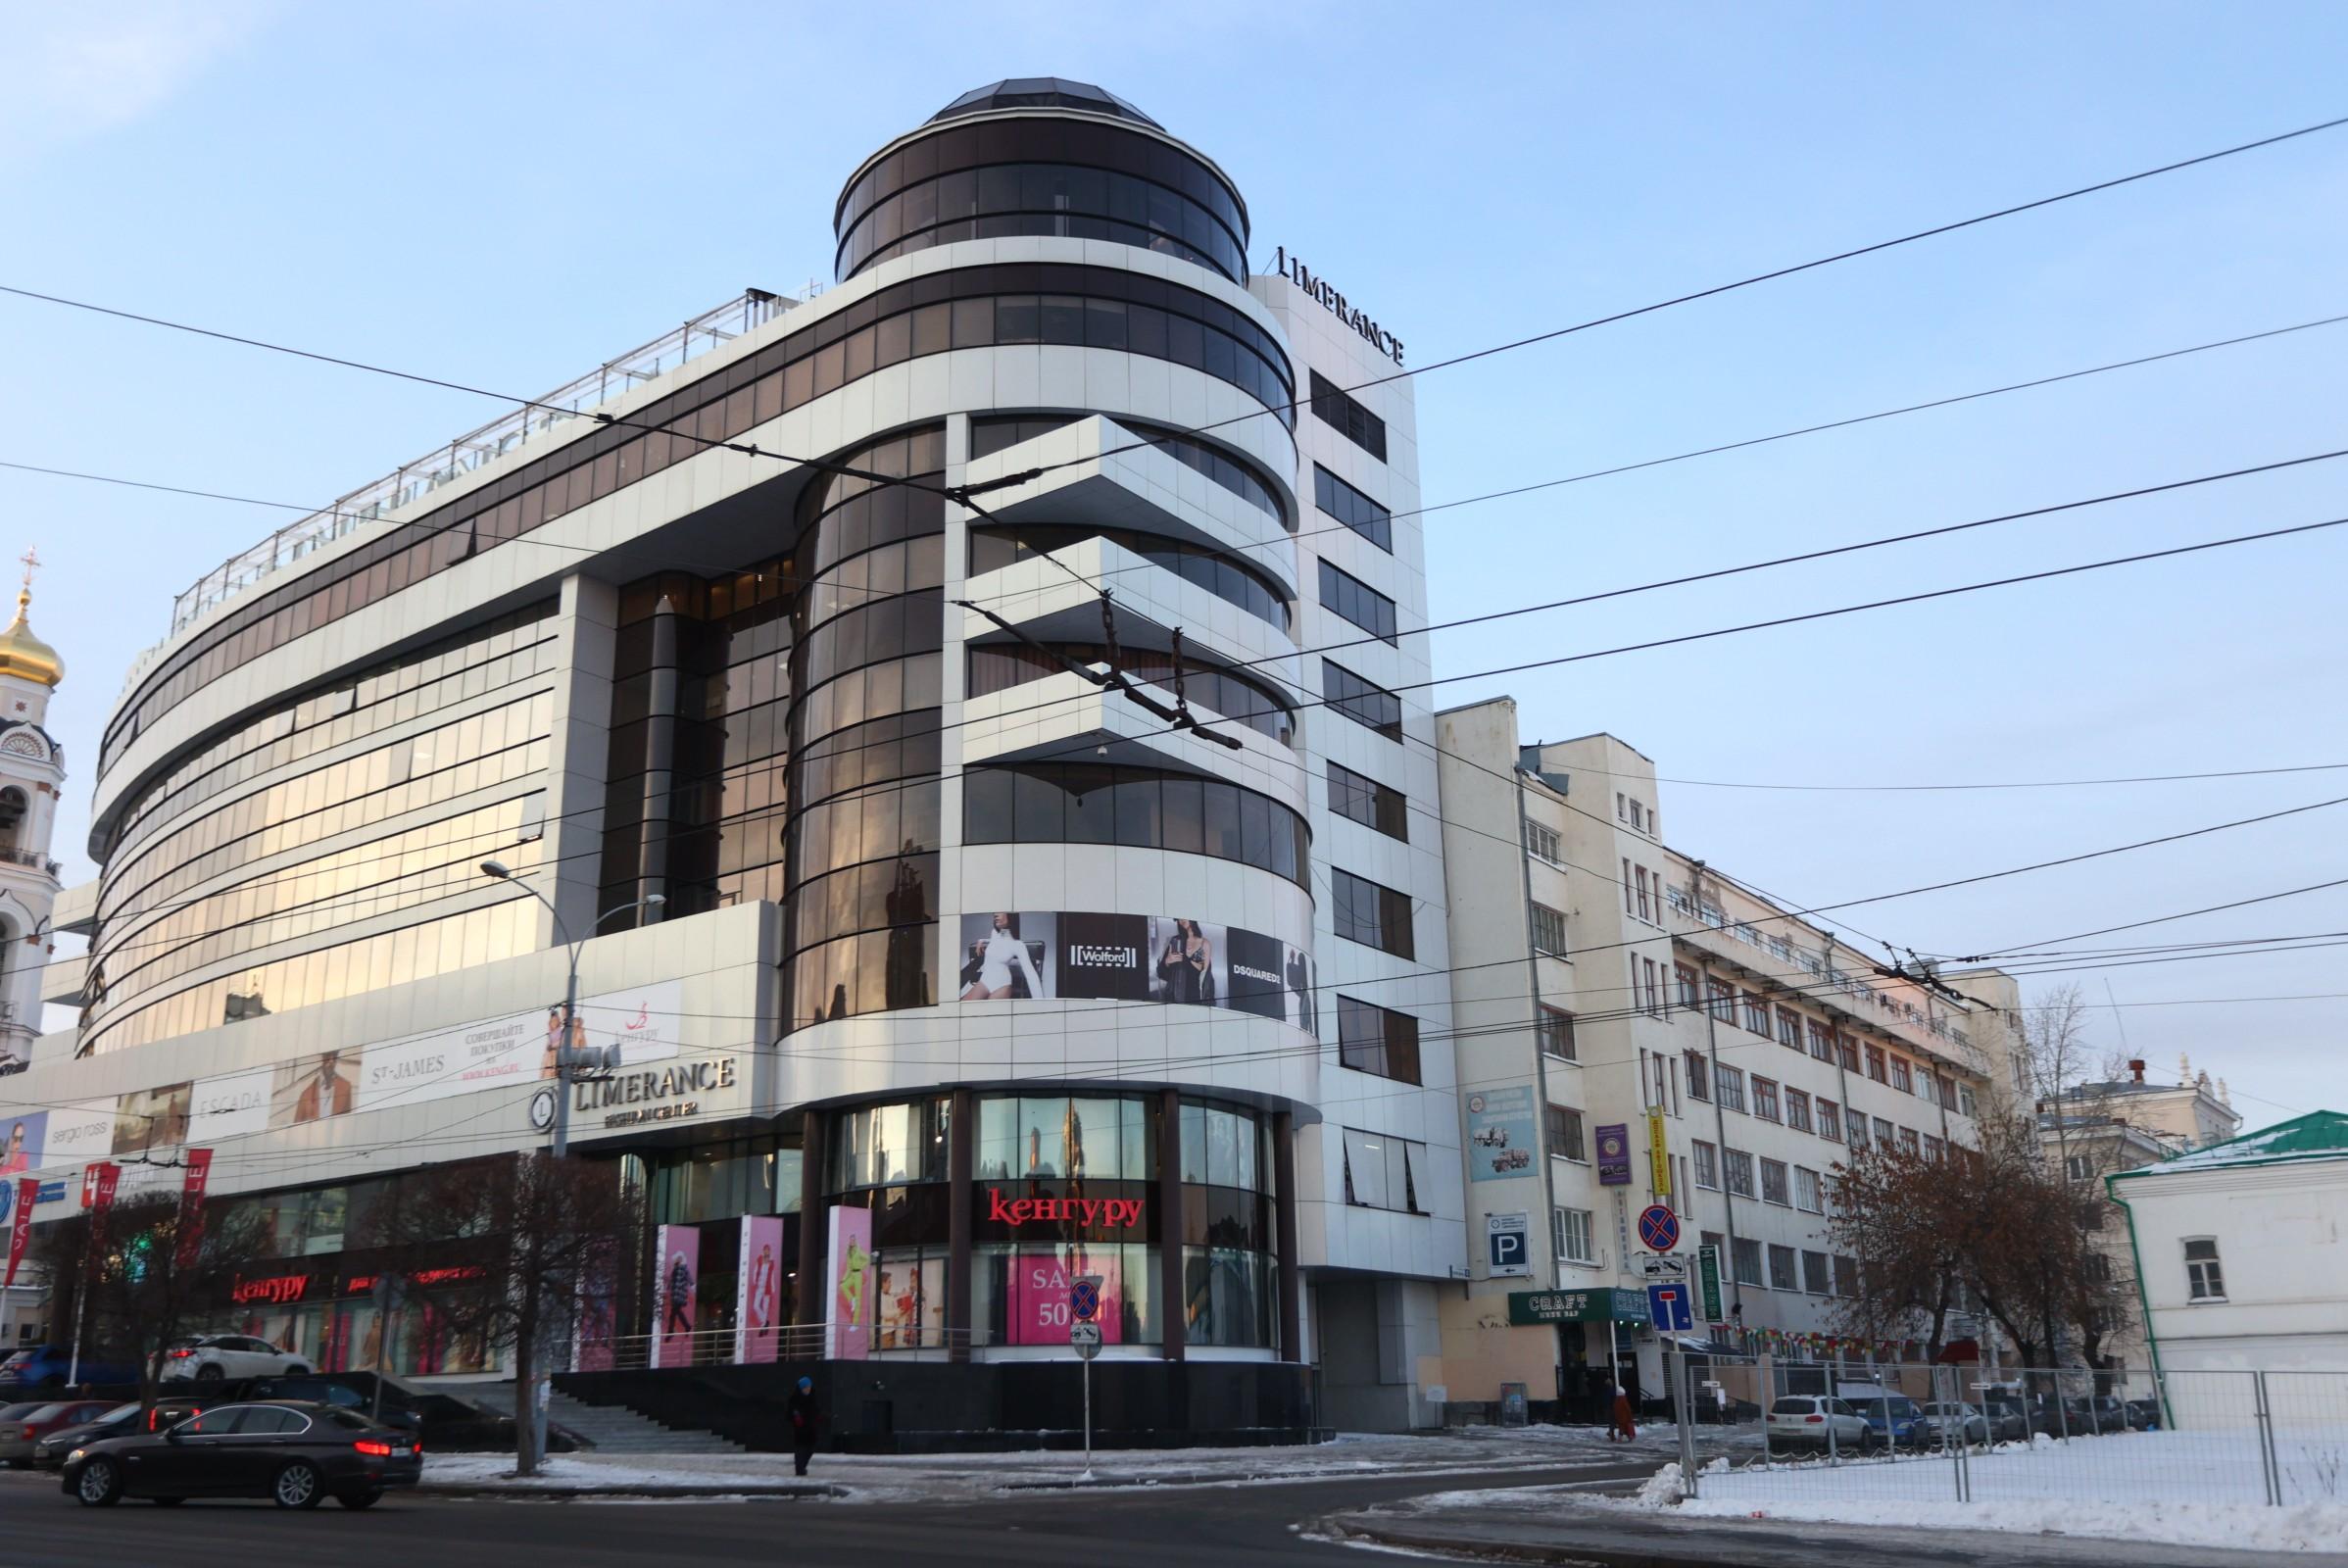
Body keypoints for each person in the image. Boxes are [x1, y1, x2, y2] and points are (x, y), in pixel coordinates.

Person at [960, 912, 1044, 1001]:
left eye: (1001, 911)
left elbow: (1031, 975)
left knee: (987, 1009)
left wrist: (1040, 1002)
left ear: (1011, 915)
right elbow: (1000, 940)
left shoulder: (1018, 945)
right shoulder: (995, 933)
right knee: (964, 1005)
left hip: (1002, 985)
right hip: (985, 981)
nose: (995, 915)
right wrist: (981, 940)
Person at [1156, 918, 1211, 1004]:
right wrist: (1166, 962)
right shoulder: (1175, 941)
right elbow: (1162, 974)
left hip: (1195, 997)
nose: (1181, 920)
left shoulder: (1204, 943)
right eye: (1178, 919)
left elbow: (1207, 977)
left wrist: (1207, 1002)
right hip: (1174, 997)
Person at [787, 1376, 821, 1476]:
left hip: (811, 1428)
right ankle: (800, 1469)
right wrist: (795, 1417)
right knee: (800, 1449)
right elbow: (789, 1412)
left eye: (809, 1387)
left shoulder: (813, 1398)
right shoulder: (794, 1399)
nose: (807, 1389)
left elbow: (816, 1410)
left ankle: (802, 1467)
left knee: (810, 1448)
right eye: (805, 1388)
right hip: (800, 1429)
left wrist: (817, 1417)